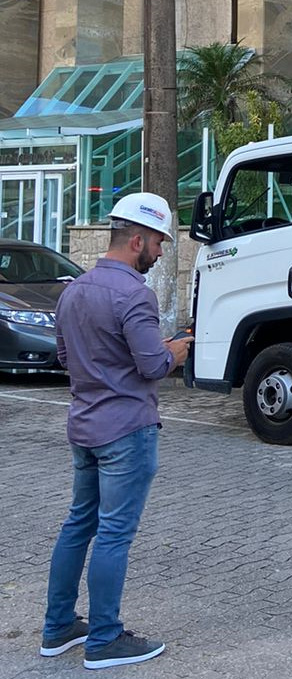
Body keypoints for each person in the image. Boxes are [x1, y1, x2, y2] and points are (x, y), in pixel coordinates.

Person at [41, 193, 192, 670]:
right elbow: (152, 365)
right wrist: (175, 352)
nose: (161, 252)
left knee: (78, 525)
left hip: (84, 426)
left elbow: (66, 357)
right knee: (113, 534)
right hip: (127, 430)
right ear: (137, 240)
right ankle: (105, 639)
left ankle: (58, 627)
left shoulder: (74, 291)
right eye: (159, 243)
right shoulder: (134, 294)